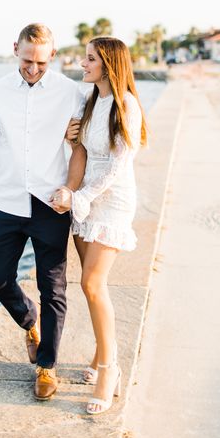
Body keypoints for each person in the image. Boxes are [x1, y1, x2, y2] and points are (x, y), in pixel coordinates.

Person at [0, 23, 86, 401]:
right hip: (5, 202)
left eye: (41, 61)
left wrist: (70, 191)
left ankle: (46, 367)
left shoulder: (71, 93)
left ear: (52, 56)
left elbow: (82, 150)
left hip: (50, 205)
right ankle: (29, 321)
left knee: (53, 288)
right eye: (27, 60)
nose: (34, 69)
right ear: (14, 50)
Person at [52, 36, 147, 415]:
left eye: (89, 59)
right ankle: (98, 354)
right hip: (84, 201)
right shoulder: (92, 102)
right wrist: (68, 137)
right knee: (91, 286)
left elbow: (118, 165)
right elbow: (84, 153)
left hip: (110, 203)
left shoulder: (127, 105)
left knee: (93, 283)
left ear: (108, 63)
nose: (82, 64)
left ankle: (111, 369)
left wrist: (83, 197)